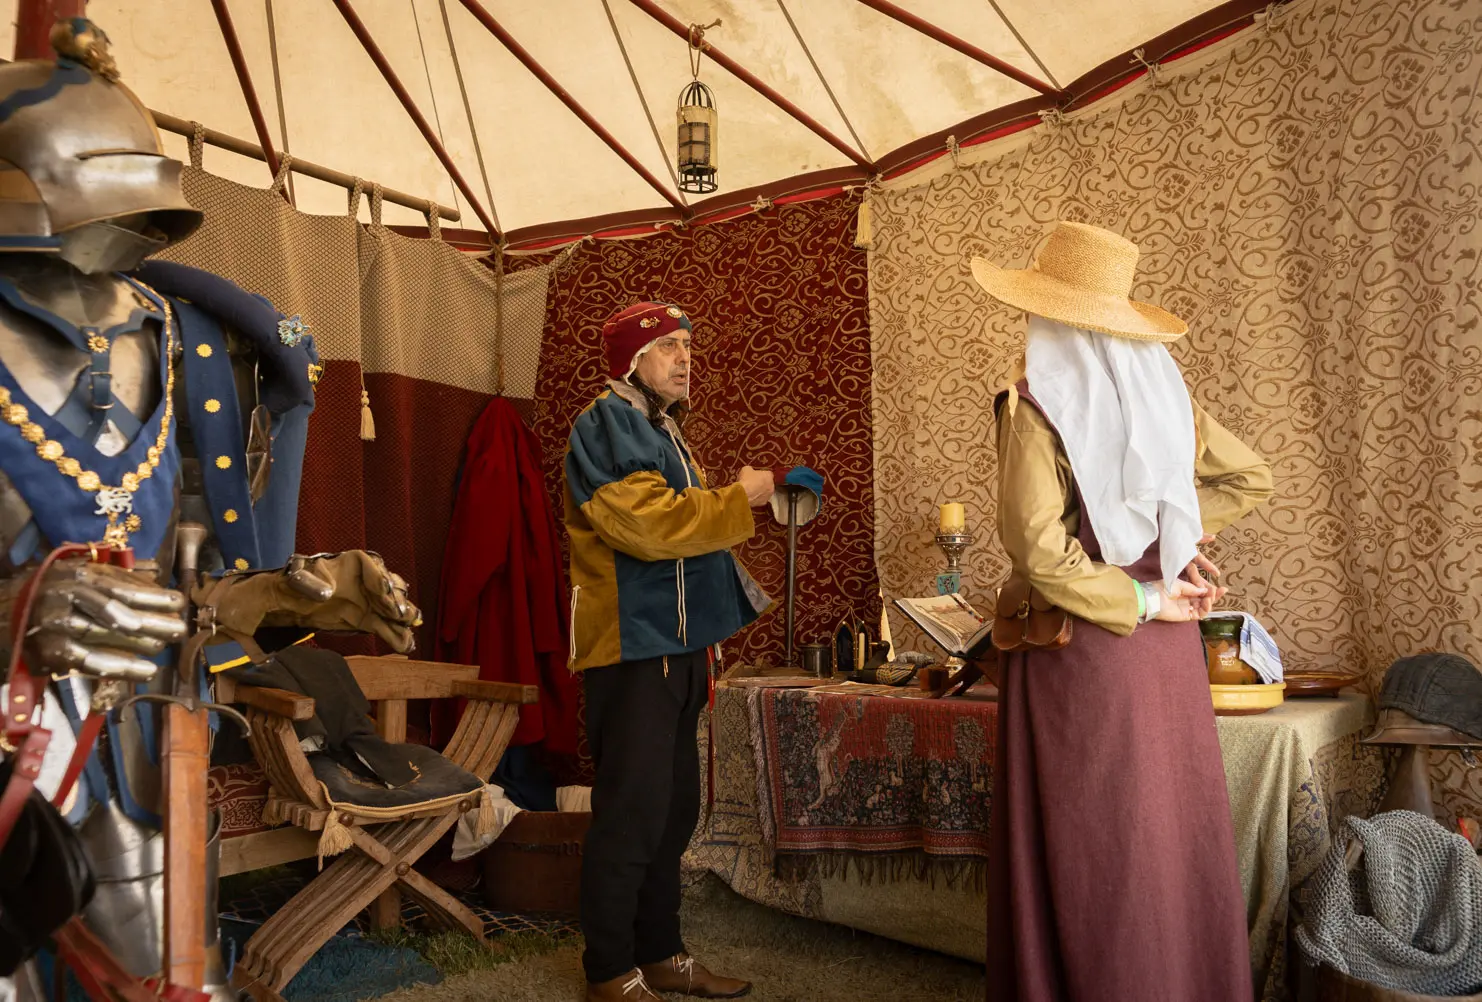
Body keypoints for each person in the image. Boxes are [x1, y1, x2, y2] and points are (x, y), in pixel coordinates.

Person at [968, 221, 1274, 1001]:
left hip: (1087, 646)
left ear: (1048, 313)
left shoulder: (1034, 405)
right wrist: (1171, 544)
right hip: (1166, 655)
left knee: (1099, 848)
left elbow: (1040, 554)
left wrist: (1142, 595)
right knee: (1166, 839)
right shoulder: (1166, 397)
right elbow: (1249, 479)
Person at [564, 301, 774, 1001]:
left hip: (678, 649)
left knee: (675, 808)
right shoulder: (605, 422)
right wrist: (740, 498)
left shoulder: (661, 429)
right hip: (633, 647)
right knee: (632, 811)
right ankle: (608, 971)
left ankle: (660, 954)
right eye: (668, 346)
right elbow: (648, 527)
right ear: (631, 360)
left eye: (688, 345)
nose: (685, 358)